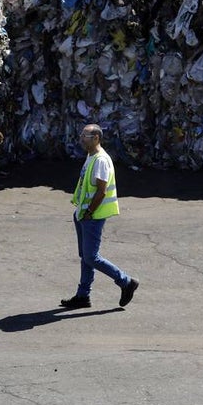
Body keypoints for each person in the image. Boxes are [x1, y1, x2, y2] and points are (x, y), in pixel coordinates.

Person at [61, 124, 139, 310]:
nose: (81, 138)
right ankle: (83, 296)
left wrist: (89, 212)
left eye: (85, 135)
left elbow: (101, 191)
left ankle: (126, 282)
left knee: (91, 256)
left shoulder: (101, 160)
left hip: (92, 216)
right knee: (85, 257)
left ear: (96, 137)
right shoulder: (91, 156)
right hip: (83, 213)